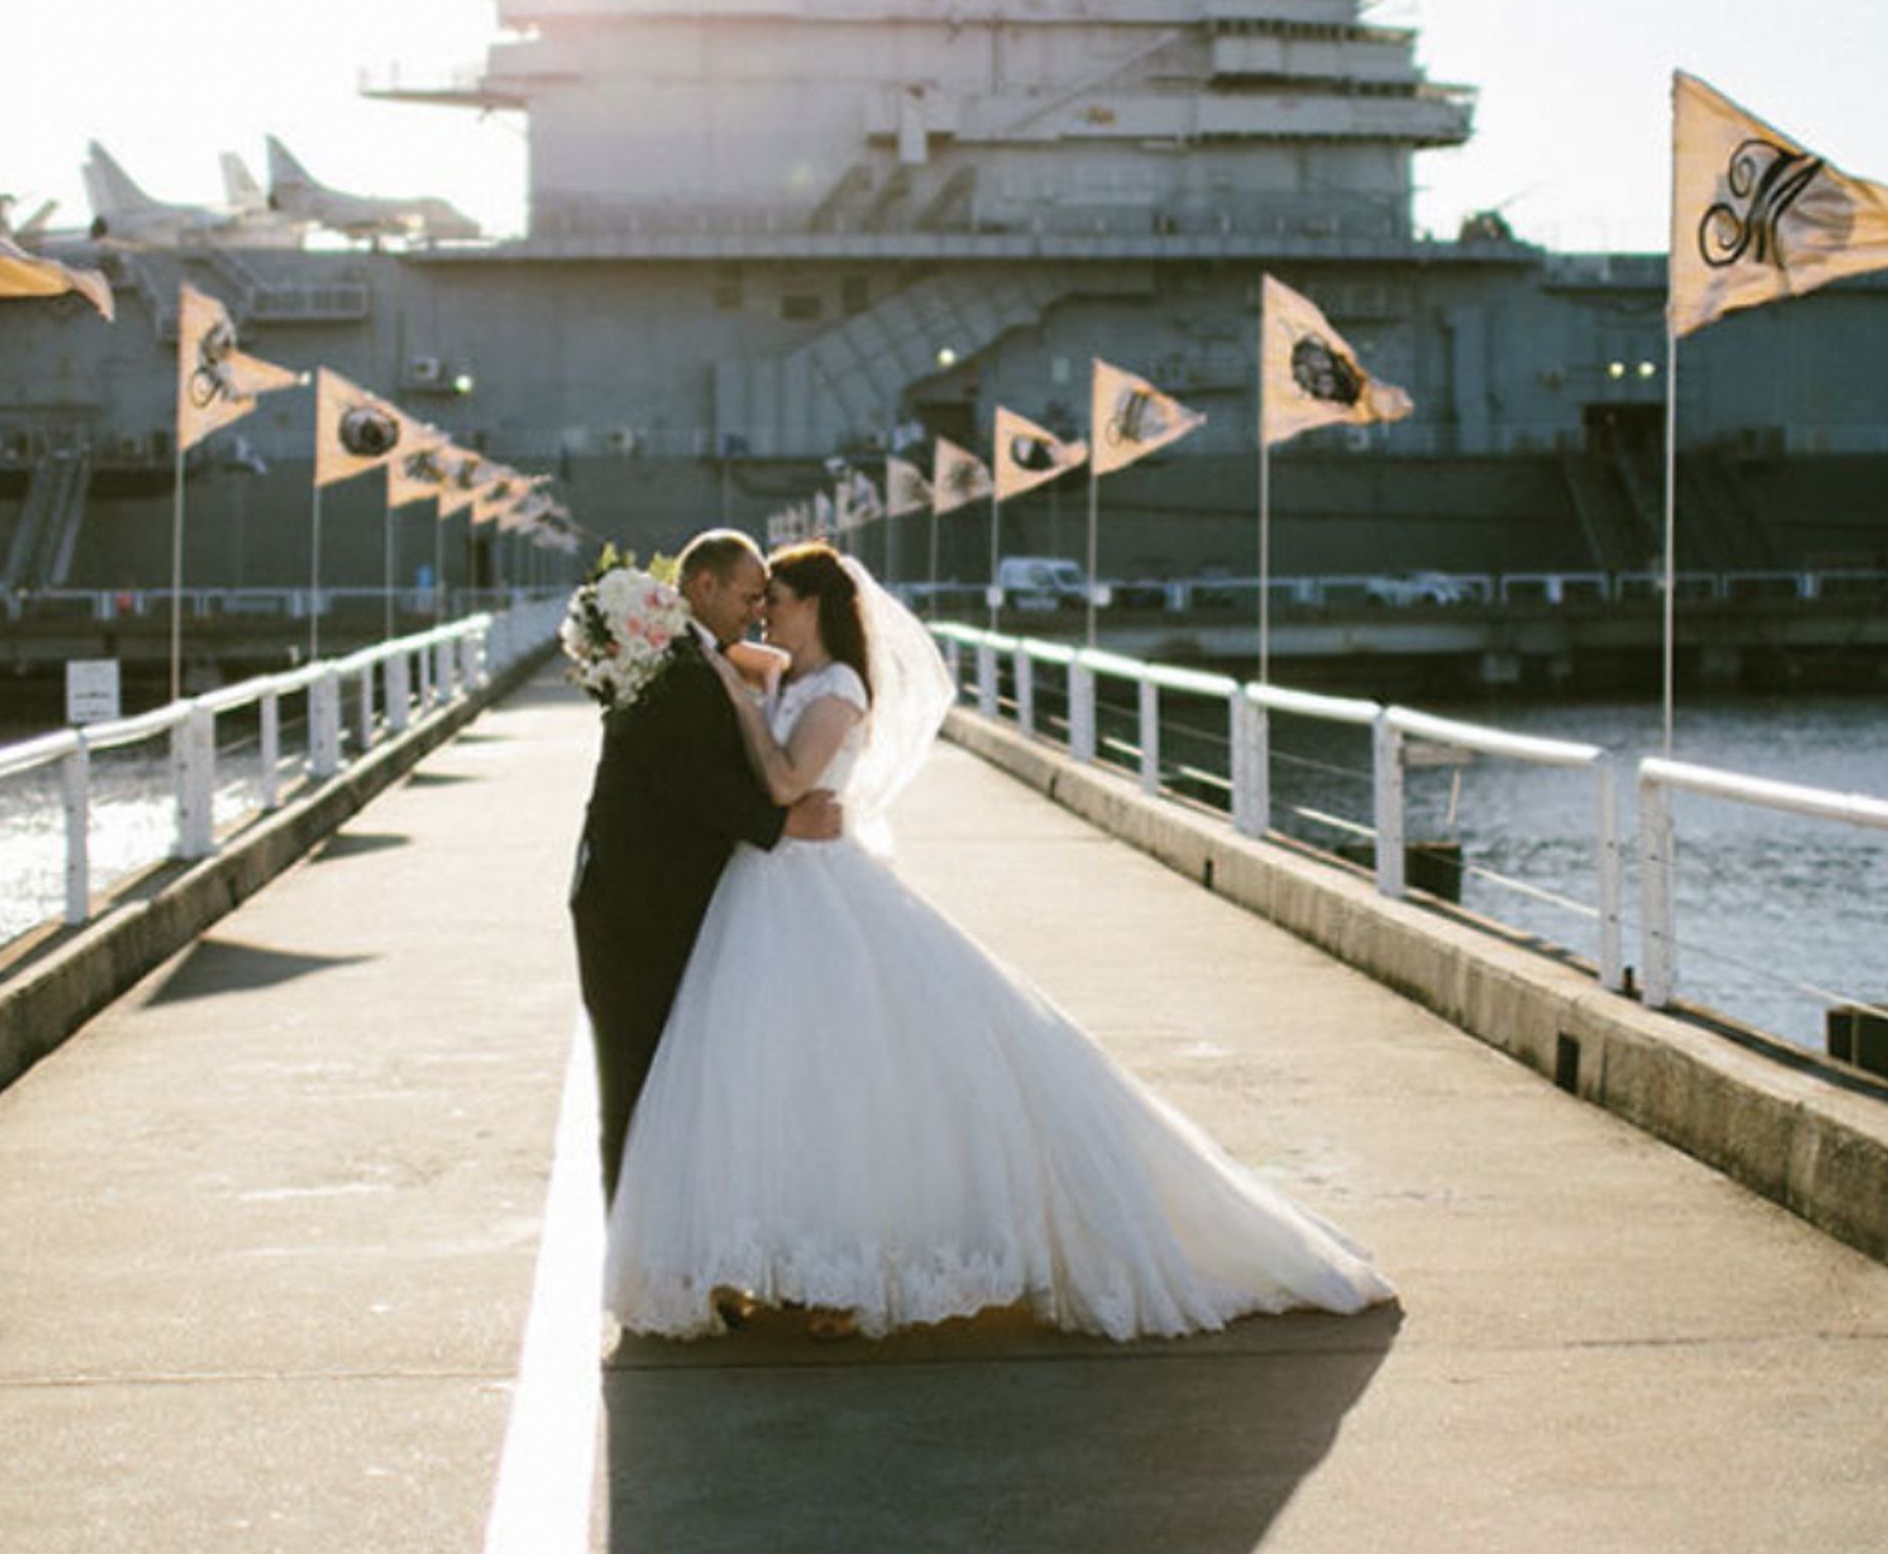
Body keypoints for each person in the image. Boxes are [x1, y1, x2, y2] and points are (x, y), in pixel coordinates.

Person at [606, 542, 1393, 1341]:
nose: (763, 607)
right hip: (771, 890)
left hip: (815, 891)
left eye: (775, 594)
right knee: (779, 1078)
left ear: (815, 604)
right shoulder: (791, 676)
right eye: (758, 594)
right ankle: (793, 1261)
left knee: (846, 1080)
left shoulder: (838, 686)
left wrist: (737, 699)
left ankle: (845, 1272)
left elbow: (783, 783)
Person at [570, 530, 846, 1202]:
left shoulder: (688, 653)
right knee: (635, 1080)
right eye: (751, 597)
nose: (757, 612)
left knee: (666, 1079)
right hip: (636, 910)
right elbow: (691, 781)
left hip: (647, 900)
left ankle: (660, 1244)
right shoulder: (675, 667)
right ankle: (636, 1259)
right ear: (704, 588)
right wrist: (782, 821)